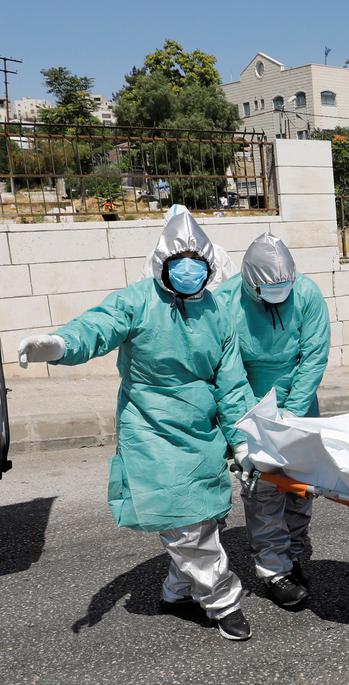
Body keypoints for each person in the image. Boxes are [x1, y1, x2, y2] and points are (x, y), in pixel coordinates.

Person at [17, 211, 258, 640]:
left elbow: (232, 382)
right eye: (179, 261)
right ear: (162, 263)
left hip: (201, 431)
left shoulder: (217, 311)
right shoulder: (137, 300)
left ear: (209, 266)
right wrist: (59, 345)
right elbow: (98, 326)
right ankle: (223, 602)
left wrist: (243, 440)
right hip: (152, 428)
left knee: (205, 517)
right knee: (187, 522)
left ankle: (177, 590)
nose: (188, 270)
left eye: (197, 263)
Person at [218, 233, 331, 608]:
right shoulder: (225, 303)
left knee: (300, 489)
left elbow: (313, 357)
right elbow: (228, 371)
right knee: (263, 491)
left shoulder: (308, 294)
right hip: (250, 407)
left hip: (300, 406)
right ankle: (274, 570)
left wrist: (293, 412)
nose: (278, 297)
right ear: (250, 284)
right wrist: (251, 427)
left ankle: (294, 555)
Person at [143, 204, 235, 289]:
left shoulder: (215, 252)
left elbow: (234, 282)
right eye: (177, 257)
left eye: (195, 257)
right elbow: (146, 287)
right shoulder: (156, 258)